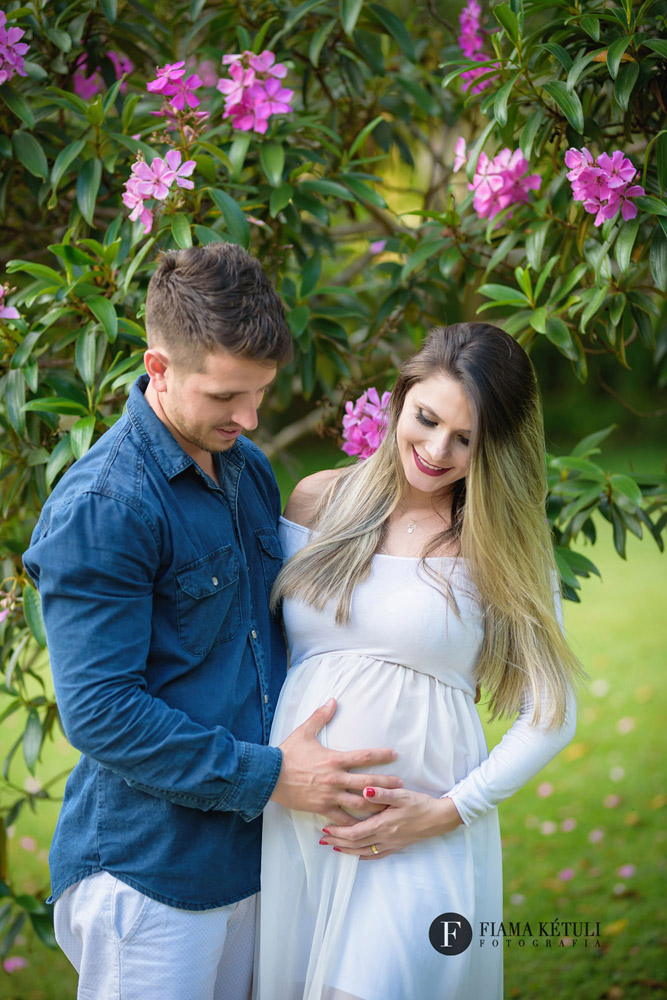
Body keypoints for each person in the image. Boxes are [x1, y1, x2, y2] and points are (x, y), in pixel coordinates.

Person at [22, 243, 402, 1000]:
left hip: (253, 862)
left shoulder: (246, 468)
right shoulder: (106, 506)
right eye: (227, 395)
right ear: (156, 367)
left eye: (260, 392)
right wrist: (269, 778)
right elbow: (100, 714)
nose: (251, 416)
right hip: (150, 875)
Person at [255, 322, 583, 1000]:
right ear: (399, 398)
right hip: (298, 825)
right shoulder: (318, 500)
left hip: (420, 833)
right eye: (426, 419)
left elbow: (550, 714)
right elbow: (267, 656)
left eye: (465, 438)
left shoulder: (499, 544)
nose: (437, 450)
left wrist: (445, 812)